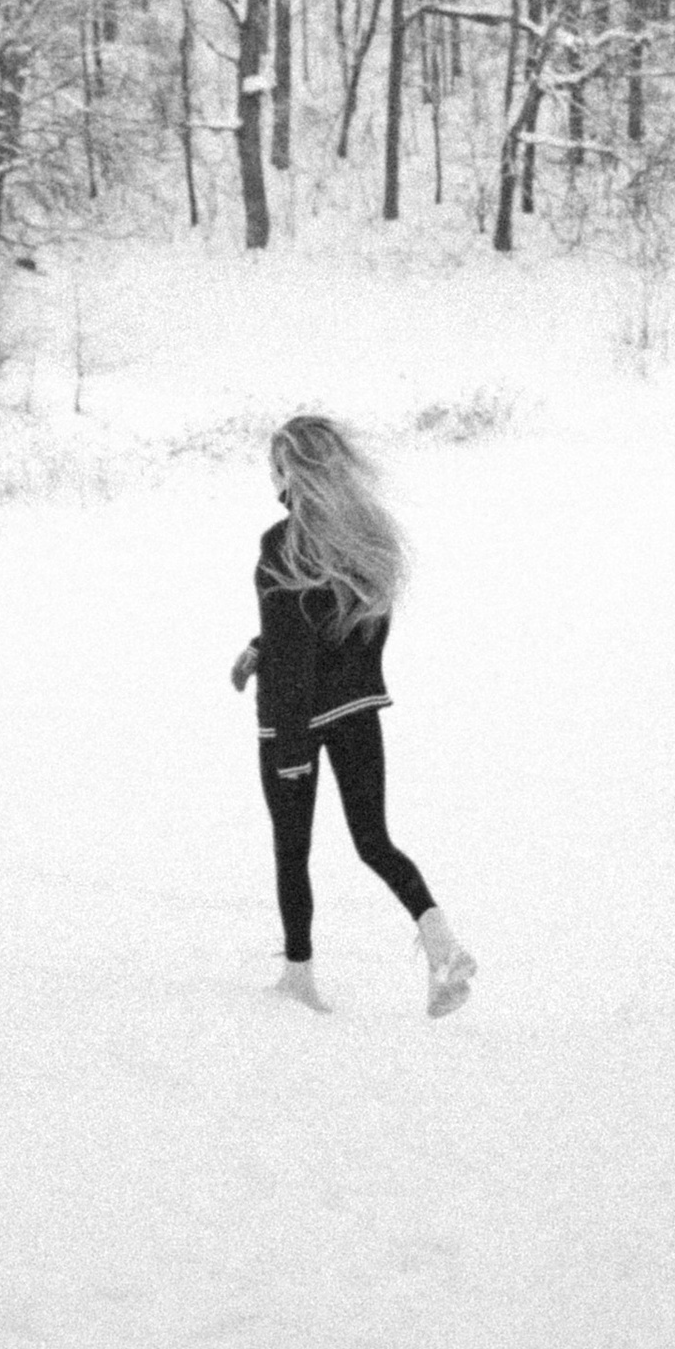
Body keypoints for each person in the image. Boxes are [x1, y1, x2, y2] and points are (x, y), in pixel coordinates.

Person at [229, 412, 475, 1017]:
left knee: (293, 850)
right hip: (357, 709)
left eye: (276, 466)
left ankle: (299, 979)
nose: (272, 478)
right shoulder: (364, 541)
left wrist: (289, 751)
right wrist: (259, 647)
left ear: (293, 470)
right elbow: (324, 630)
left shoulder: (282, 545)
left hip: (293, 721)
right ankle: (442, 945)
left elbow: (294, 657)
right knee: (374, 841)